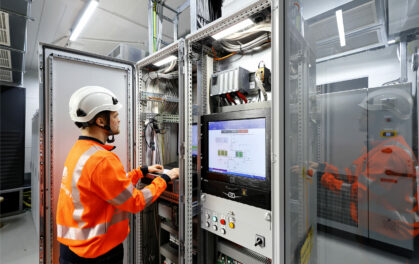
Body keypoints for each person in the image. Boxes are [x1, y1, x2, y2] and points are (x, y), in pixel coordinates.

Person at [56, 86, 179, 263]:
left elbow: (108, 187)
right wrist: (165, 179)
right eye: (115, 116)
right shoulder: (101, 159)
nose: (119, 120)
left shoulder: (82, 151)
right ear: (100, 121)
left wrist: (141, 172)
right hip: (96, 253)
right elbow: (135, 201)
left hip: (75, 248)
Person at [315, 88, 419, 241]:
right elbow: (353, 173)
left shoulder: (390, 153)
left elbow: (360, 194)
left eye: (364, 114)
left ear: (382, 120)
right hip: (379, 229)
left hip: (394, 236)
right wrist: (321, 168)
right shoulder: (379, 147)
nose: (359, 118)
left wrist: (324, 179)